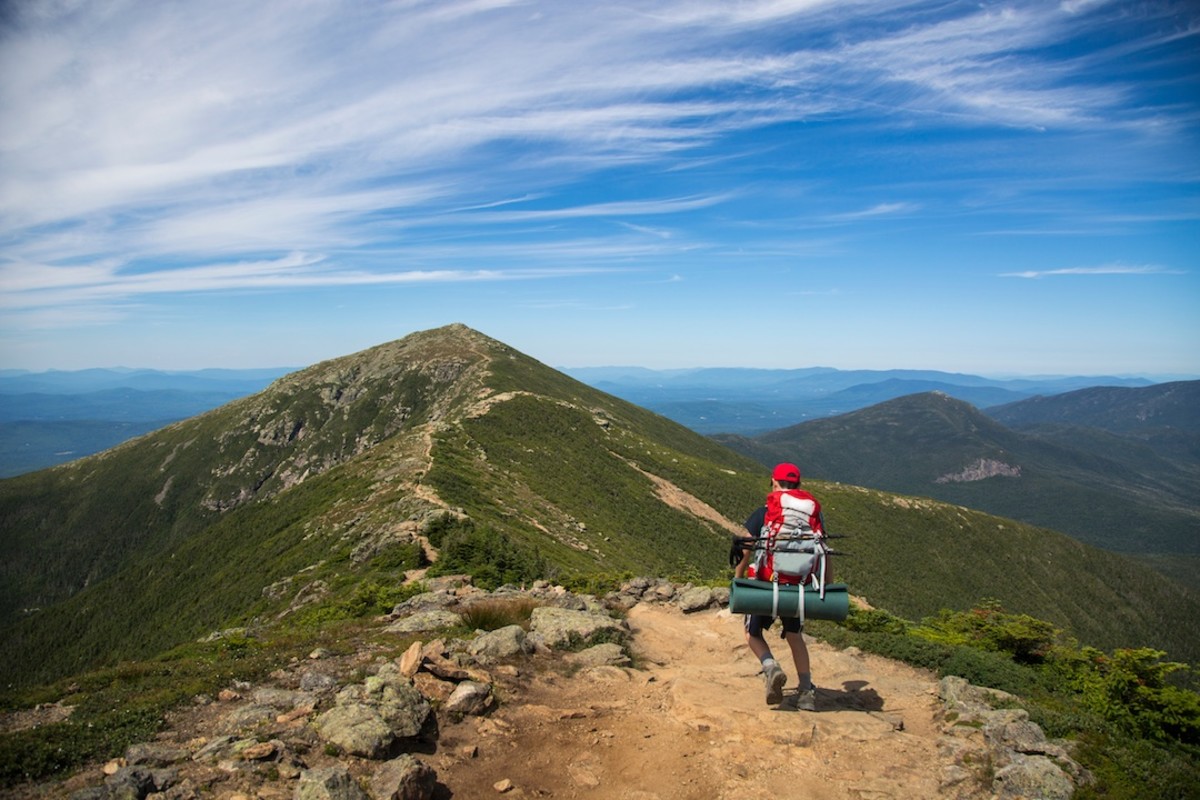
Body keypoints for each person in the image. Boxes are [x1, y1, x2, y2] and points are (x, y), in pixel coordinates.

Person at [733, 462, 825, 711]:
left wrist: (738, 578)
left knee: (752, 633)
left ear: (773, 482)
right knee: (795, 635)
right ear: (799, 486)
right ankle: (806, 691)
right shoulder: (811, 514)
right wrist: (823, 585)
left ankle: (771, 667)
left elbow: (745, 548)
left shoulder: (765, 512)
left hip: (767, 584)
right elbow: (822, 550)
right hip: (799, 585)